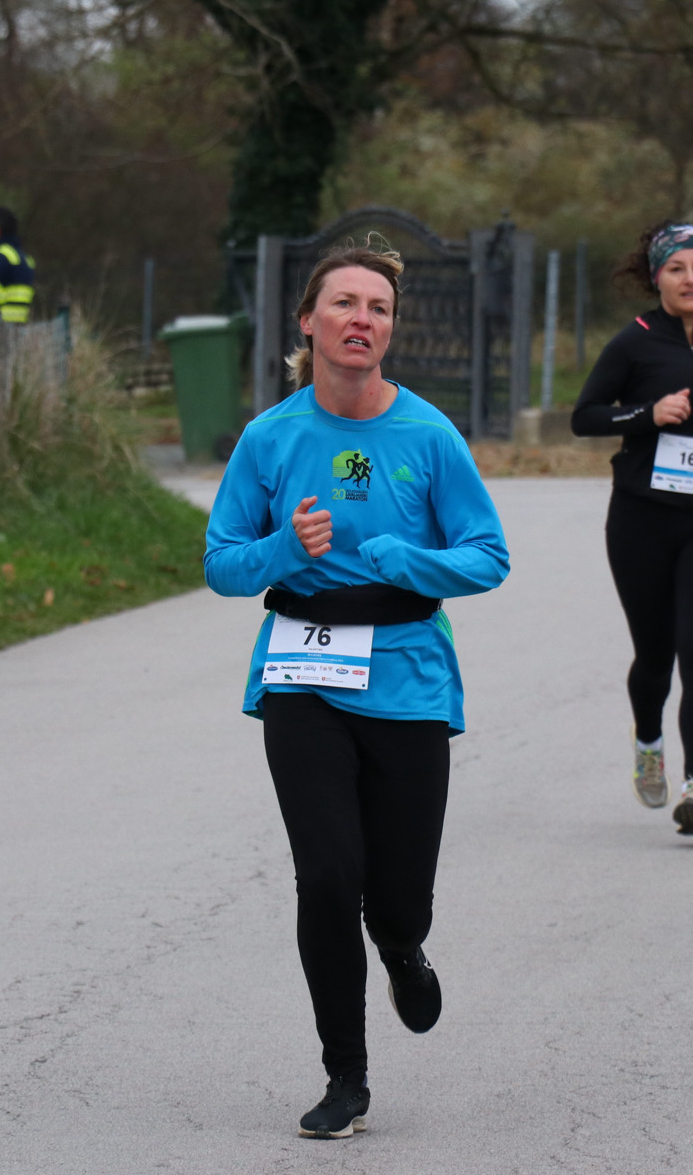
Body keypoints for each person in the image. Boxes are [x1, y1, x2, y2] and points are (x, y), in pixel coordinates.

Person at [204, 241, 510, 1139]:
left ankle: (404, 946)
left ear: (389, 328)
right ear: (308, 321)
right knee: (328, 875)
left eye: (377, 306)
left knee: (397, 896)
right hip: (302, 667)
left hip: (408, 671)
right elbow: (223, 563)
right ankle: (346, 1075)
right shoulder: (270, 438)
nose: (360, 319)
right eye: (343, 303)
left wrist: (404, 557)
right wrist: (284, 553)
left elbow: (487, 555)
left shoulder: (427, 435)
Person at [570, 221, 693, 838]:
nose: (690, 279)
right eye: (677, 268)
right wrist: (645, 415)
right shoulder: (632, 345)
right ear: (657, 277)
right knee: (656, 657)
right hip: (641, 519)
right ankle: (650, 739)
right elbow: (584, 417)